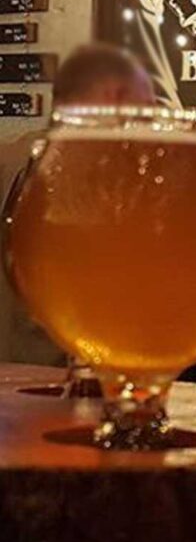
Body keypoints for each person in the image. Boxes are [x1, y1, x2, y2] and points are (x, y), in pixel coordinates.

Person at [0, 43, 155, 365]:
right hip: (56, 385)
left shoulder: (18, 157)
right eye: (148, 105)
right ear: (117, 96)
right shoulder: (97, 168)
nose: (151, 119)